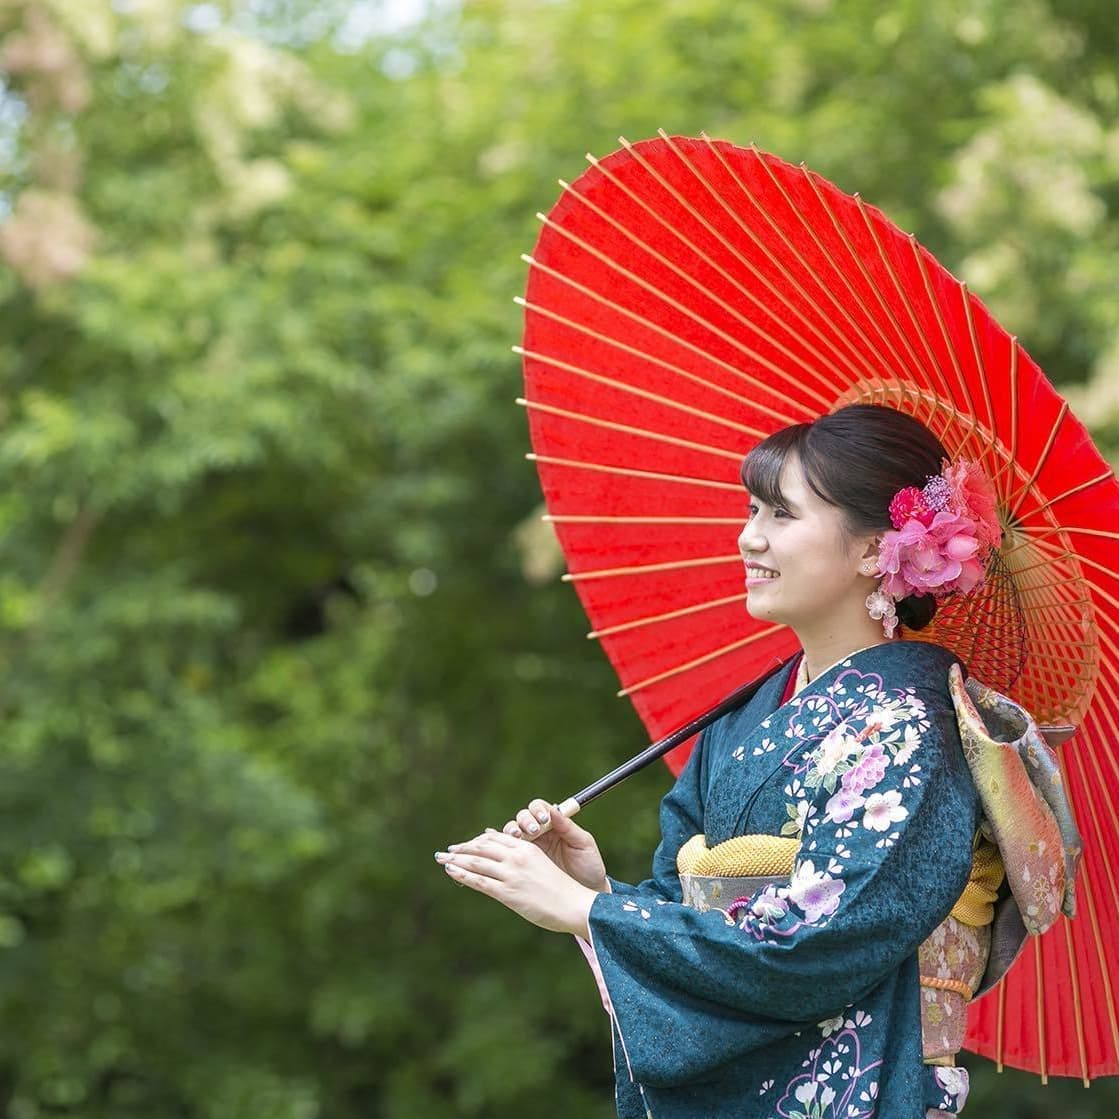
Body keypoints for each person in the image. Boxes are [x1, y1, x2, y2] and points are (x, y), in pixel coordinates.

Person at [436, 404, 1024, 1118]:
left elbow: (815, 943)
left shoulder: (910, 726)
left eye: (780, 514)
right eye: (751, 510)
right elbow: (682, 913)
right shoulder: (743, 717)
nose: (749, 538)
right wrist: (602, 890)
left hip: (859, 1083)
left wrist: (591, 912)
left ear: (875, 549)